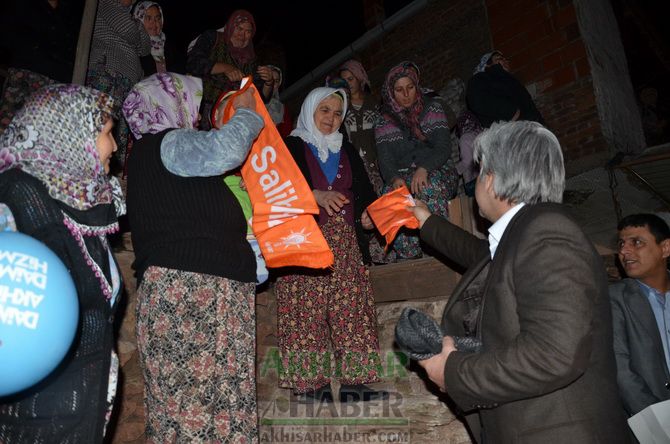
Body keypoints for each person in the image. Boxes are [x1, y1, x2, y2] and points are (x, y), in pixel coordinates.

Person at [409, 121, 630, 443]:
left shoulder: (548, 233)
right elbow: (482, 258)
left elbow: (553, 353)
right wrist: (426, 221)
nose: (475, 182)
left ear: (494, 178)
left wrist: (453, 371)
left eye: (480, 170)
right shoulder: (531, 232)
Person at [123, 72, 264, 442]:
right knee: (194, 413)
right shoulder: (164, 145)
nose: (197, 115)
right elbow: (226, 149)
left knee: (223, 410)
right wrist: (247, 114)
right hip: (190, 297)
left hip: (209, 294)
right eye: (191, 103)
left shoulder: (165, 154)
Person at [0, 84, 124, 442]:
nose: (115, 148)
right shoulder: (16, 198)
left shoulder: (83, 211)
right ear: (66, 132)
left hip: (77, 417)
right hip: (27, 426)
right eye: (106, 134)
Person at [276, 87, 387, 403]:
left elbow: (365, 194)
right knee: (304, 308)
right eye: (325, 110)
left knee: (351, 308)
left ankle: (356, 383)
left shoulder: (347, 150)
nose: (332, 118)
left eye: (338, 113)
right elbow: (277, 190)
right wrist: (314, 195)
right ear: (310, 111)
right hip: (304, 238)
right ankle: (311, 386)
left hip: (345, 239)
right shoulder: (291, 146)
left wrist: (369, 216)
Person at [375, 61, 458, 260]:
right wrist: (394, 178)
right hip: (403, 173)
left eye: (410, 88)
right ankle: (409, 254)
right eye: (399, 89)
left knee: (429, 187)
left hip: (437, 168)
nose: (406, 94)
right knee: (392, 195)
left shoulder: (433, 108)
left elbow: (443, 148)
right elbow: (385, 160)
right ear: (391, 92)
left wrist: (424, 168)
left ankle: (439, 247)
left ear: (417, 87)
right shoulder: (382, 121)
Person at [610, 213, 670, 416]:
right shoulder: (613, 298)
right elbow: (619, 369)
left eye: (636, 242)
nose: (624, 251)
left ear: (665, 248)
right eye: (621, 244)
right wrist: (659, 422)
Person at [87, 0, 151, 169]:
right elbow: (128, 31)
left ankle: (112, 173)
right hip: (108, 72)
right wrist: (136, 25)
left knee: (119, 131)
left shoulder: (129, 16)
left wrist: (135, 24)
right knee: (102, 124)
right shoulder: (106, 3)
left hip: (127, 79)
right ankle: (91, 168)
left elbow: (145, 47)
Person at [186, 9, 274, 130]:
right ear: (231, 27)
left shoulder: (252, 59)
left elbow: (260, 98)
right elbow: (193, 63)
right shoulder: (213, 38)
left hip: (232, 120)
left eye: (248, 31)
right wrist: (225, 68)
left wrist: (269, 82)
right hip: (200, 113)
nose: (242, 35)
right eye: (239, 29)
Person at [0, 0, 80, 132]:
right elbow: (7, 36)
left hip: (60, 83)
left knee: (44, 139)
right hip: (25, 76)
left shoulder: (75, 8)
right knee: (9, 132)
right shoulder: (22, 5)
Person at [338, 59, 384, 196]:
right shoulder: (341, 106)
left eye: (351, 79)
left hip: (377, 162)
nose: (348, 83)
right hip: (355, 165)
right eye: (344, 80)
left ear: (359, 78)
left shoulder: (373, 103)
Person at [132, 1, 182, 76]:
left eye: (158, 18)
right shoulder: (134, 46)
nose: (154, 22)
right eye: (149, 18)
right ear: (138, 19)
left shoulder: (169, 44)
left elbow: (180, 69)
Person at [266, 65, 293, 138]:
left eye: (276, 81)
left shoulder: (283, 109)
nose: (273, 83)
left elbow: (287, 136)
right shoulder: (252, 101)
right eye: (270, 79)